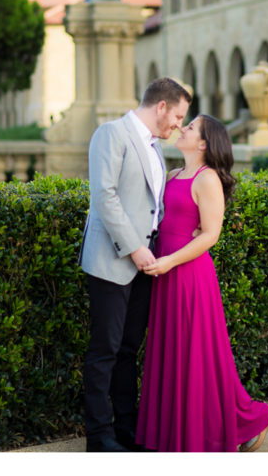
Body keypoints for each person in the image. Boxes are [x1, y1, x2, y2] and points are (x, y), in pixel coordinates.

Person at [137, 114, 268, 451]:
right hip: (165, 277)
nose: (182, 128)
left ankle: (251, 419)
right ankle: (174, 432)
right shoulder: (171, 175)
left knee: (200, 358)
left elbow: (211, 235)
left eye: (191, 127)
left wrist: (169, 261)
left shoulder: (207, 178)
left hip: (190, 278)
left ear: (203, 143)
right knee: (173, 354)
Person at [79, 77, 191, 452]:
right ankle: (99, 437)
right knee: (105, 351)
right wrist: (134, 249)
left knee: (128, 350)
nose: (178, 124)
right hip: (114, 260)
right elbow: (104, 196)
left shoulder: (155, 147)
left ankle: (128, 432)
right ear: (161, 107)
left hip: (147, 265)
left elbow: (149, 202)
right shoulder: (110, 134)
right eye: (177, 116)